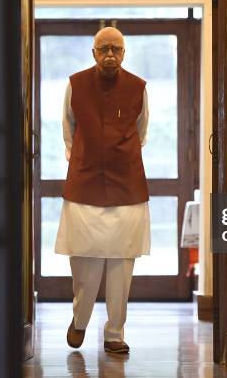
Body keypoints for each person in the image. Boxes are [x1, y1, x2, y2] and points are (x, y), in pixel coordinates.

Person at [54, 27, 150, 354]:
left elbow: (142, 130)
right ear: (93, 52)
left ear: (125, 53)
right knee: (85, 262)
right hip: (84, 182)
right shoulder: (75, 84)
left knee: (122, 266)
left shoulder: (139, 88)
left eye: (117, 49)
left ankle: (115, 334)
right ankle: (79, 320)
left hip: (128, 186)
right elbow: (68, 127)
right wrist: (79, 155)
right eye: (104, 48)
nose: (110, 54)